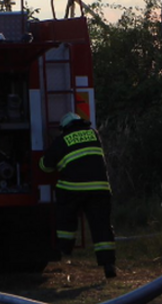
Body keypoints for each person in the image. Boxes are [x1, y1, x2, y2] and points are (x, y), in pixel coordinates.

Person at [39, 111, 117, 278]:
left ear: (65, 128)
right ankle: (108, 264)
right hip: (100, 189)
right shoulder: (94, 134)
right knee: (102, 227)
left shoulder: (61, 141)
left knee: (65, 215)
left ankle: (65, 248)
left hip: (73, 189)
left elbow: (45, 166)